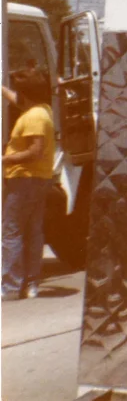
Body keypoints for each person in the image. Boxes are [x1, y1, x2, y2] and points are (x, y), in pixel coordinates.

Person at [2, 68, 57, 300]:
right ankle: (30, 284)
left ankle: (10, 288)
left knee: (12, 232)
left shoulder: (32, 118)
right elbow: (18, 100)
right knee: (33, 231)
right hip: (38, 179)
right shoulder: (43, 110)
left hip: (24, 178)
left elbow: (34, 151)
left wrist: (5, 159)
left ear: (26, 94)